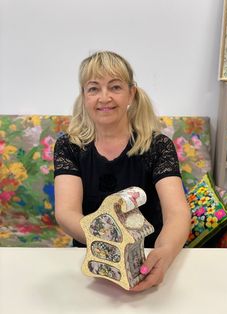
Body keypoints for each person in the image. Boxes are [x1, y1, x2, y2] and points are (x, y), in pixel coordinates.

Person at [53, 51, 191, 292]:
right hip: (92, 258)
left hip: (146, 258)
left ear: (131, 93)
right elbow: (66, 212)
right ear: (84, 96)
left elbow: (177, 213)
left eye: (115, 87)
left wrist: (165, 253)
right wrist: (109, 246)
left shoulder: (158, 146)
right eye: (94, 89)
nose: (104, 98)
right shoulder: (69, 146)